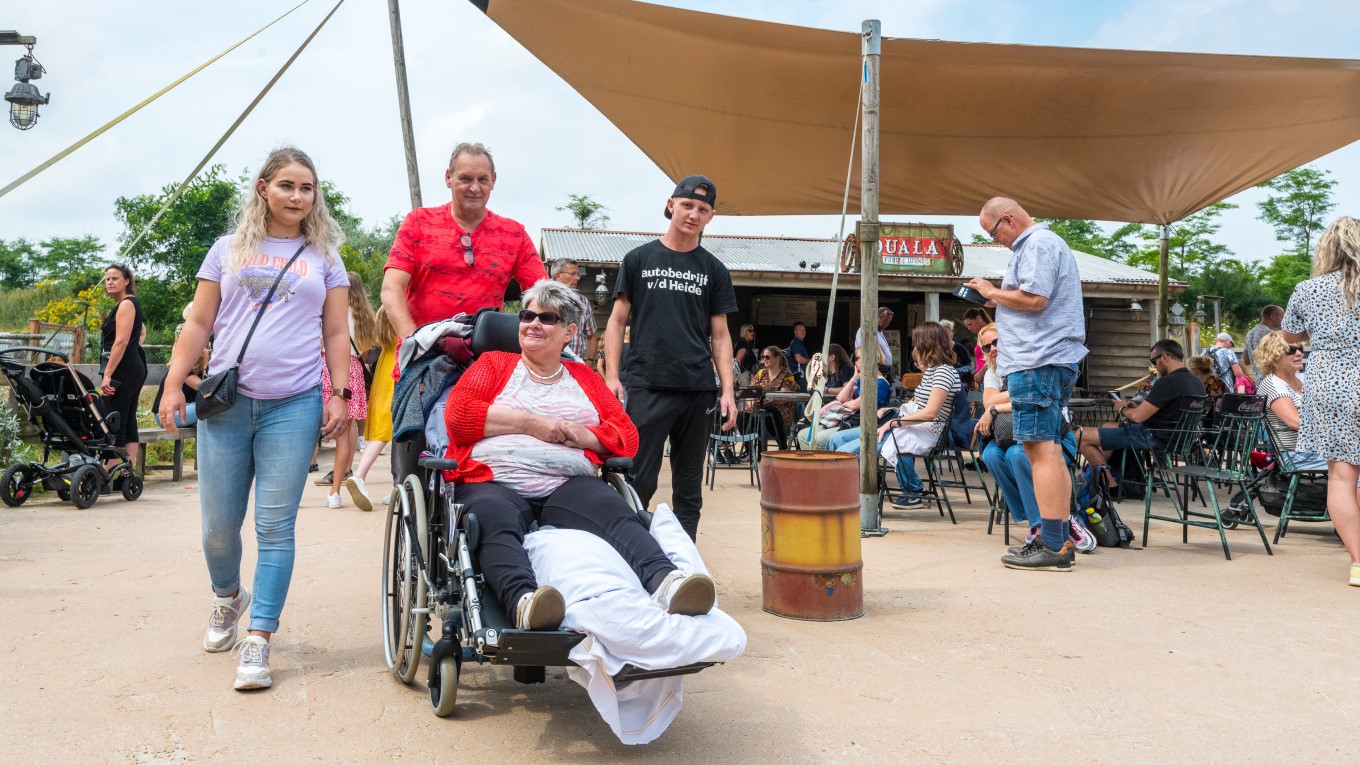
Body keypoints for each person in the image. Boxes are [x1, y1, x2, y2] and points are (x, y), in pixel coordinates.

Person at [158, 146, 352, 690]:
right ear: (264, 187)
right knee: (218, 528)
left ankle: (259, 639)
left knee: (274, 527)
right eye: (287, 185)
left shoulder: (325, 258)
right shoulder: (227, 249)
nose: (298, 196)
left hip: (294, 404)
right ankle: (227, 599)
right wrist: (174, 383)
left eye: (307, 188)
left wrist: (338, 393)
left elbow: (336, 334)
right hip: (226, 403)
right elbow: (198, 323)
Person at [444, 280, 715, 628]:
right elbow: (459, 416)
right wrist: (532, 424)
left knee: (614, 511)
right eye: (527, 315)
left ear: (569, 331)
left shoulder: (584, 376)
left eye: (547, 318)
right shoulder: (494, 364)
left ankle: (669, 583)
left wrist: (588, 436)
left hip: (567, 482)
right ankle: (526, 604)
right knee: (491, 518)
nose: (533, 323)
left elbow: (627, 436)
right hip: (495, 478)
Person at [604, 175, 737, 541]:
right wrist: (612, 377)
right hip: (647, 384)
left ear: (710, 217)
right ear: (671, 205)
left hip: (698, 390)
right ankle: (632, 555)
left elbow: (721, 336)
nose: (693, 214)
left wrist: (727, 390)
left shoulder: (713, 270)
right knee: (637, 480)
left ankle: (685, 562)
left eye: (702, 209)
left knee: (689, 489)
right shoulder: (638, 259)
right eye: (687, 205)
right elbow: (616, 323)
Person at [966, 197, 1087, 572]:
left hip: (1038, 360)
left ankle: (1051, 542)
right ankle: (1059, 537)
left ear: (1008, 220)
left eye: (993, 231)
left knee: (1039, 449)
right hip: (1047, 359)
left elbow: (1035, 298)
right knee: (1046, 448)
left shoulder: (1036, 244)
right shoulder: (1043, 244)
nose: (995, 239)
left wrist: (990, 292)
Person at [381, 141, 546, 340]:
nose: (475, 188)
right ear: (448, 177)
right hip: (424, 359)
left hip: (484, 360)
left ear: (493, 180)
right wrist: (414, 342)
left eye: (483, 179)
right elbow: (392, 288)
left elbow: (542, 294)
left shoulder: (514, 234)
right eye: (465, 178)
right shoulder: (417, 223)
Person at [1280, 216, 1360, 587]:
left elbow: (1290, 333)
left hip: (1328, 383)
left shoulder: (1308, 289)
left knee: (1341, 478)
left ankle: (1359, 563)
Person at [973, 323, 1082, 546]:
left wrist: (994, 409)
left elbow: (1030, 399)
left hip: (1054, 439)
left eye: (996, 342)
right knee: (991, 455)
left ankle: (1041, 524)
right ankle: (1042, 518)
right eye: (986, 347)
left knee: (1016, 454)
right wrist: (1003, 402)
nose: (992, 349)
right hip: (1010, 434)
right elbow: (989, 401)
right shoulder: (994, 371)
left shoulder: (1032, 365)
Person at [1078, 339, 1206, 471]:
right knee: (1108, 426)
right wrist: (1136, 406)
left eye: (1153, 361)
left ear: (1164, 357)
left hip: (1154, 438)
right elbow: (1169, 411)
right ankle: (1106, 480)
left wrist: (1122, 408)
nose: (1154, 367)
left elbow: (1137, 417)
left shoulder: (1167, 382)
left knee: (1080, 436)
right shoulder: (1197, 383)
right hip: (1180, 441)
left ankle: (1109, 484)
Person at [873, 322, 961, 508]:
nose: (914, 346)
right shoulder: (934, 371)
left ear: (927, 343)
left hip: (930, 430)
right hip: (920, 426)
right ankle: (905, 489)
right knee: (862, 442)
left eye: (916, 342)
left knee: (869, 445)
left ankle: (911, 490)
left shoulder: (943, 371)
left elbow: (930, 413)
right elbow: (917, 404)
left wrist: (893, 422)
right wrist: (895, 414)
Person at [321, 271, 377, 509]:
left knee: (320, 428)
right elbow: (366, 352)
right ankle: (335, 491)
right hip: (353, 369)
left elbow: (323, 343)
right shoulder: (364, 316)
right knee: (348, 431)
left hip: (329, 367)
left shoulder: (334, 312)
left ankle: (330, 488)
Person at [345, 306, 398, 511]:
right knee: (397, 431)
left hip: (385, 369)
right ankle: (363, 477)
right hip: (399, 366)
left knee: (384, 429)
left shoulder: (384, 311)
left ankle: (390, 483)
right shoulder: (402, 310)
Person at [99, 263, 147, 469]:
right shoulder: (126, 304)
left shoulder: (126, 304)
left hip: (124, 368)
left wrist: (108, 373)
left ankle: (107, 473)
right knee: (127, 417)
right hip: (132, 365)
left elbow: (121, 341)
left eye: (115, 278)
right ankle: (127, 473)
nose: (110, 282)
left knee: (113, 417)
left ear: (127, 281)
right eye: (108, 279)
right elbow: (141, 330)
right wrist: (134, 349)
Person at [802, 346, 889, 450]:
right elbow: (841, 398)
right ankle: (812, 465)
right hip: (847, 421)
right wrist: (855, 377)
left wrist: (848, 403)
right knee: (802, 435)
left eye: (857, 358)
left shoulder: (880, 384)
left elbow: (854, 405)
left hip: (863, 425)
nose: (854, 361)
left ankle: (824, 465)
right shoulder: (862, 379)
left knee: (817, 439)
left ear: (868, 359)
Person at [153, 325, 208, 429]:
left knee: (210, 424)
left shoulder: (200, 366)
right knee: (211, 408)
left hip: (186, 410)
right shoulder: (182, 368)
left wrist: (205, 366)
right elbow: (204, 389)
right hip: (165, 415)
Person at [746, 345, 799, 450]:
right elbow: (750, 391)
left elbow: (782, 399)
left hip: (781, 408)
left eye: (767, 357)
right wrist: (751, 404)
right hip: (760, 406)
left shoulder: (787, 375)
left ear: (777, 358)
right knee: (742, 415)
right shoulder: (761, 373)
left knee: (772, 412)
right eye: (763, 357)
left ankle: (782, 446)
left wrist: (763, 405)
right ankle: (749, 450)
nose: (764, 360)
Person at [550, 258, 598, 366]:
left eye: (577, 274)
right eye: (572, 274)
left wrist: (590, 361)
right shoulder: (545, 300)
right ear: (558, 276)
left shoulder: (583, 302)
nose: (577, 278)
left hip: (576, 365)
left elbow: (591, 335)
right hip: (549, 364)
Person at [1243, 304, 1284, 379]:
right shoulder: (1270, 335)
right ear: (1273, 317)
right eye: (1282, 317)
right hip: (1271, 379)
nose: (1283, 320)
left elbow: (1246, 360)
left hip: (1257, 380)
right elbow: (1276, 358)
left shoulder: (1249, 334)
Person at [854, 307, 894, 378]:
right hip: (874, 369)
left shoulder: (879, 332)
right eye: (885, 320)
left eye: (889, 322)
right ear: (877, 317)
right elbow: (862, 351)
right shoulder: (865, 330)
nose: (887, 324)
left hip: (884, 370)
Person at [962, 307, 991, 372]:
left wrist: (981, 373)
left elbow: (993, 357)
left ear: (978, 318)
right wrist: (977, 371)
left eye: (970, 324)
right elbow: (982, 359)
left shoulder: (989, 333)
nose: (968, 328)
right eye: (967, 326)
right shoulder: (981, 334)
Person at [788, 322, 810, 391]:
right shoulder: (796, 342)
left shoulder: (799, 343)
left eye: (804, 330)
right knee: (801, 398)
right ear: (795, 332)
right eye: (800, 330)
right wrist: (811, 361)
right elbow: (799, 359)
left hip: (799, 376)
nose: (802, 332)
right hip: (799, 375)